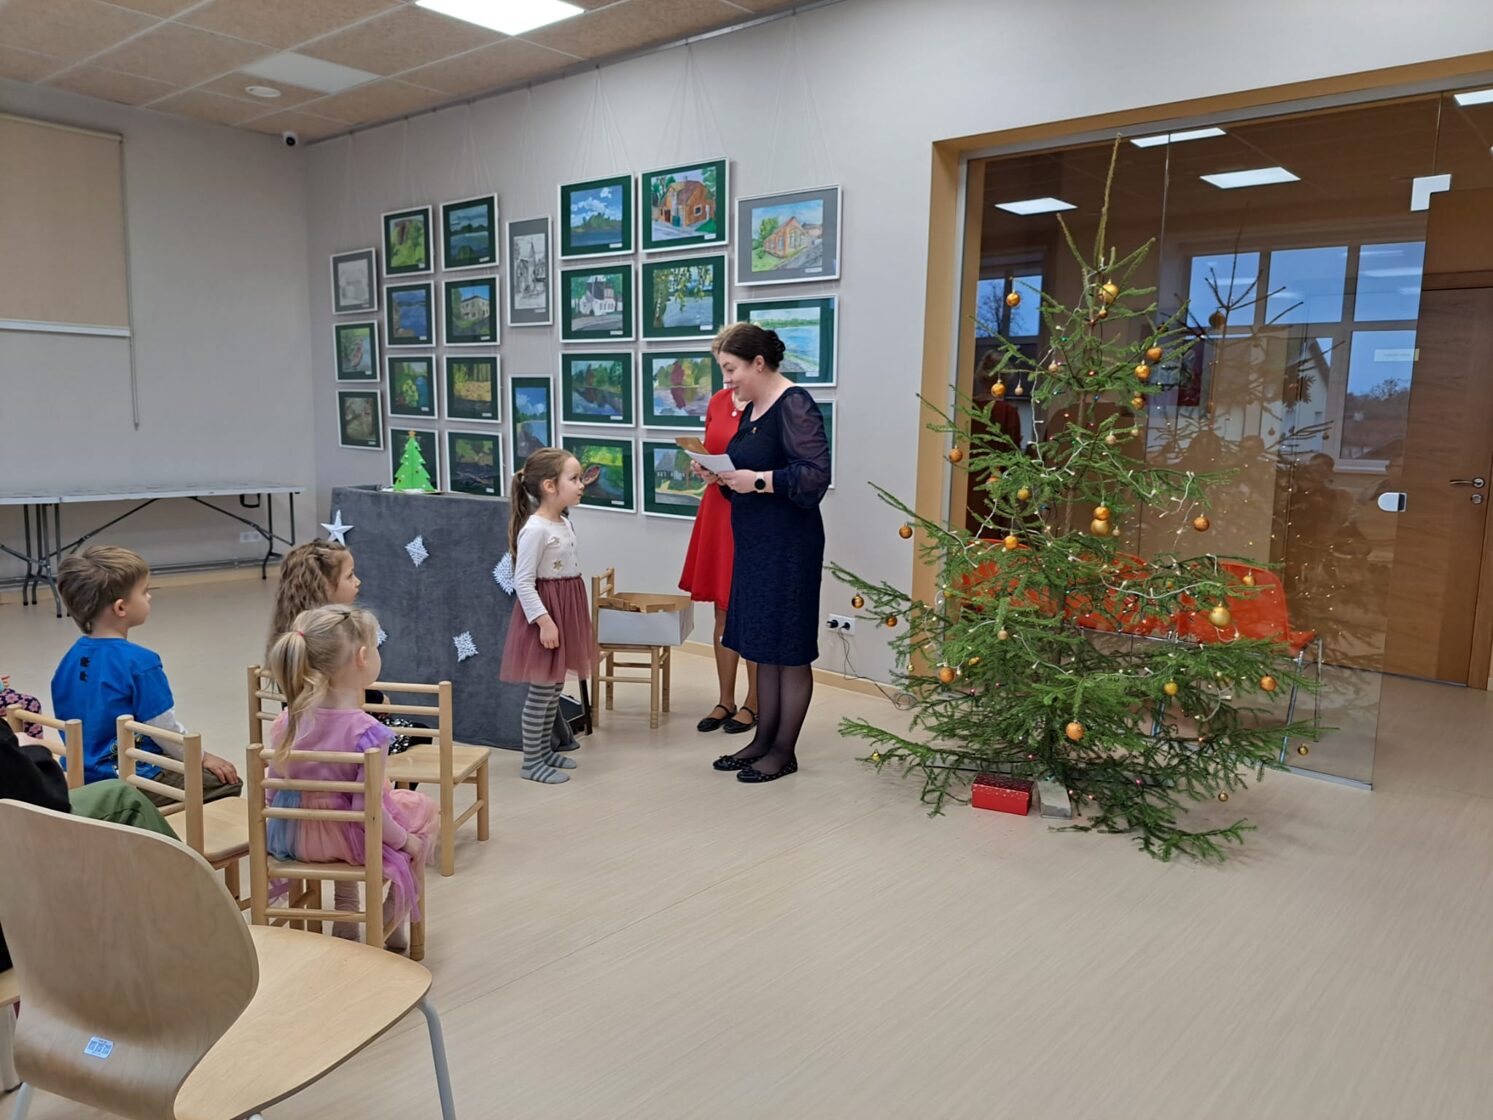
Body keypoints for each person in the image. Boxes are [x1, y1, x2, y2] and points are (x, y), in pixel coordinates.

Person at [701, 324, 831, 783]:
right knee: (765, 643)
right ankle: (762, 741)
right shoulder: (754, 408)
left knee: (788, 649)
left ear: (758, 363)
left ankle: (783, 752)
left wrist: (756, 480)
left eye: (730, 368)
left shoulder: (794, 403)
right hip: (756, 543)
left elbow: (814, 476)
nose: (726, 380)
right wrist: (723, 477)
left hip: (789, 545)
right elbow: (748, 476)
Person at [265, 604, 438, 948]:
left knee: (350, 819)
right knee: (423, 819)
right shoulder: (368, 731)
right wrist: (405, 841)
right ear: (362, 658)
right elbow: (367, 812)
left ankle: (347, 922)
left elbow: (272, 790)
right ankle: (389, 917)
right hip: (347, 837)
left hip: (292, 836)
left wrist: (282, 829)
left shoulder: (287, 721)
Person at [50, 545, 241, 804]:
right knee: (226, 782)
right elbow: (164, 730)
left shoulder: (68, 660)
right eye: (144, 591)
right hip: (132, 776)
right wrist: (204, 758)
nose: (149, 597)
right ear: (121, 608)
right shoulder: (140, 662)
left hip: (82, 773)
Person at [0, 718, 176, 971]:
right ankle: (191, 924)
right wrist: (33, 751)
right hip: (15, 933)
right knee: (124, 798)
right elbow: (47, 804)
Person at [268, 539, 426, 756]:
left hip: (303, 735)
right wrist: (378, 699)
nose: (358, 582)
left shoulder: (293, 631)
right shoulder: (334, 633)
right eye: (350, 576)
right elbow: (340, 686)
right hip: (344, 738)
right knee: (419, 731)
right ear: (324, 585)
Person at [500, 448, 594, 785]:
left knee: (554, 690)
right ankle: (531, 762)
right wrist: (544, 622)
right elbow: (522, 581)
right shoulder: (535, 529)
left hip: (565, 612)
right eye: (574, 478)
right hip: (546, 618)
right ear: (550, 486)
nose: (582, 485)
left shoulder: (564, 522)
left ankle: (544, 751)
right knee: (540, 694)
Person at [678, 385, 759, 736]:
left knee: (751, 611)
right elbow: (714, 450)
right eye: (724, 368)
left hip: (752, 511)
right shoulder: (718, 402)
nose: (728, 376)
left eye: (731, 367)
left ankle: (754, 702)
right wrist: (704, 467)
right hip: (717, 508)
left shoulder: (771, 404)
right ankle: (726, 700)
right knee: (722, 610)